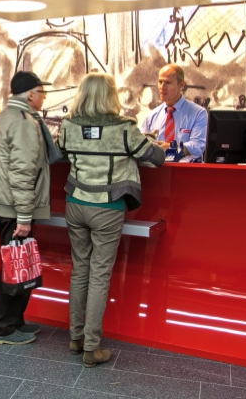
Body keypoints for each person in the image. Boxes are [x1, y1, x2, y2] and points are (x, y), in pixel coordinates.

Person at [57, 73, 165, 368]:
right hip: (107, 206)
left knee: (80, 270)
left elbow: (61, 153)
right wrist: (156, 144)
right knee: (99, 275)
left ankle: (75, 338)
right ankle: (92, 348)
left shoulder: (68, 126)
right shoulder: (125, 128)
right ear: (110, 96)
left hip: (75, 203)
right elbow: (155, 158)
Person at [0, 71, 62, 345]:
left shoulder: (7, 115)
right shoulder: (23, 122)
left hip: (4, 203)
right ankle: (0, 328)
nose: (43, 97)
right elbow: (22, 171)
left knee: (18, 263)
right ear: (30, 94)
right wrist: (25, 215)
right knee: (14, 265)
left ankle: (15, 321)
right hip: (14, 207)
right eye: (42, 92)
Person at [140, 63, 207, 158]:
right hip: (158, 170)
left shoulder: (198, 113)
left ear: (181, 85)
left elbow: (198, 146)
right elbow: (140, 145)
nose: (162, 87)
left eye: (168, 82)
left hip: (185, 171)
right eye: (160, 82)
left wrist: (171, 148)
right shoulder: (151, 116)